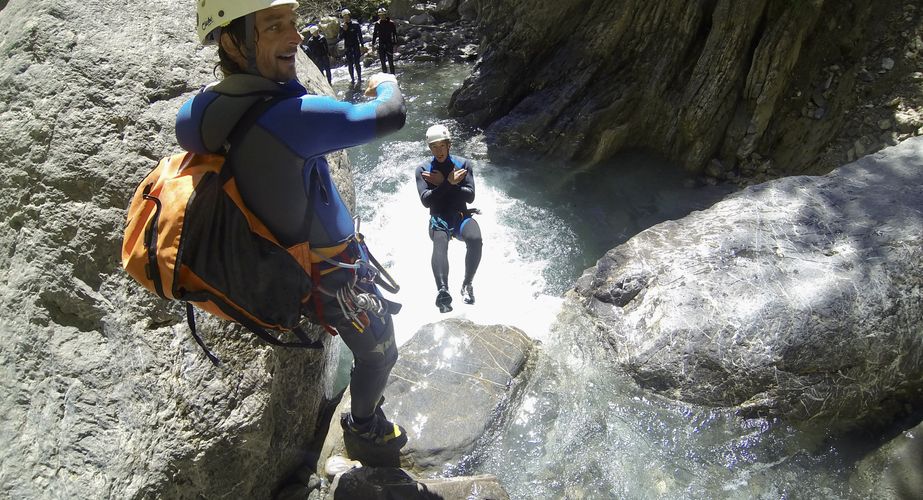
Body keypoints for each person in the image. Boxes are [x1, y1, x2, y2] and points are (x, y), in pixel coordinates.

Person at [180, 0, 408, 449]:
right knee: (380, 352)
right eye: (274, 26)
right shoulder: (289, 116)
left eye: (293, 23)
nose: (296, 37)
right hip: (329, 275)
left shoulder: (201, 112)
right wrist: (387, 83)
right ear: (231, 41)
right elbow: (390, 115)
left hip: (284, 260)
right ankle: (364, 428)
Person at [414, 125, 482, 313]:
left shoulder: (463, 164)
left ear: (449, 145)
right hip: (438, 218)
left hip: (460, 216)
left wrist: (444, 184)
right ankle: (443, 291)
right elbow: (426, 201)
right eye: (434, 147)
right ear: (430, 148)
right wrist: (449, 183)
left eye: (442, 146)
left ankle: (467, 284)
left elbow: (470, 197)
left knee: (475, 239)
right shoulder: (423, 169)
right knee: (440, 243)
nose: (438, 151)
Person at [338, 8, 363, 84]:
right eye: (344, 16)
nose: (346, 18)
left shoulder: (355, 24)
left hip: (355, 45)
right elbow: (340, 37)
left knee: (357, 62)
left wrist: (362, 45)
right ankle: (352, 79)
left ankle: (359, 78)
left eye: (347, 16)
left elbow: (360, 35)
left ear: (349, 16)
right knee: (350, 64)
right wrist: (344, 30)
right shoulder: (342, 26)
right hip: (348, 47)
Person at [371, 7, 397, 74]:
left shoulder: (391, 23)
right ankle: (385, 75)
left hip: (389, 44)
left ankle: (393, 75)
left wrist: (395, 44)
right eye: (380, 15)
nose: (382, 16)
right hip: (381, 45)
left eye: (383, 15)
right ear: (379, 16)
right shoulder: (377, 24)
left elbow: (394, 34)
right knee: (383, 62)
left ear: (386, 15)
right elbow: (374, 34)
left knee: (391, 62)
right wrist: (373, 44)